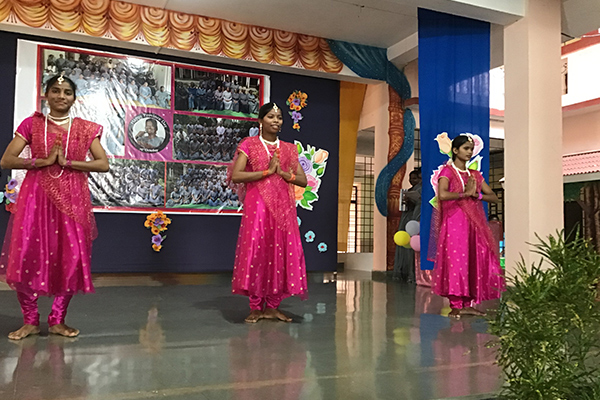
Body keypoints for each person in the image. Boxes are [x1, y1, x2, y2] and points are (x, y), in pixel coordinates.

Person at [0, 75, 109, 340]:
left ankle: (58, 320)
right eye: (56, 90)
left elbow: (102, 164)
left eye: (67, 92)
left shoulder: (84, 129)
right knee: (27, 255)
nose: (61, 96)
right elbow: (7, 160)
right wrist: (42, 161)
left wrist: (69, 163)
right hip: (35, 199)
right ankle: (30, 321)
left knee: (70, 256)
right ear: (46, 95)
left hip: (72, 200)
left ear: (74, 98)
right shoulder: (31, 124)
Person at [229, 102, 308, 323]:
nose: (276, 121)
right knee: (257, 251)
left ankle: (272, 306)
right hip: (257, 207)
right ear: (260, 121)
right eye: (271, 116)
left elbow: (302, 180)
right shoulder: (249, 144)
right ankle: (255, 307)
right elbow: (237, 175)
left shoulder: (289, 149)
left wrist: (282, 173)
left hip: (283, 208)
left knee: (280, 253)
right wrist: (266, 172)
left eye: (279, 117)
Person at [429, 135, 505, 318]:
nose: (470, 152)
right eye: (466, 148)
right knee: (456, 262)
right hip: (454, 224)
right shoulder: (447, 172)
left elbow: (493, 197)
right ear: (455, 151)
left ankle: (468, 304)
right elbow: (442, 195)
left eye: (471, 149)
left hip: (473, 225)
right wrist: (465, 194)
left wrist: (477, 195)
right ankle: (456, 305)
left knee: (473, 260)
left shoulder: (475, 175)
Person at [393, 169, 422, 283]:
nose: (412, 181)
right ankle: (402, 272)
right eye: (411, 178)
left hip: (415, 219)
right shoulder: (408, 191)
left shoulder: (421, 189)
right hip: (406, 219)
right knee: (404, 246)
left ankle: (412, 274)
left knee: (413, 245)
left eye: (415, 178)